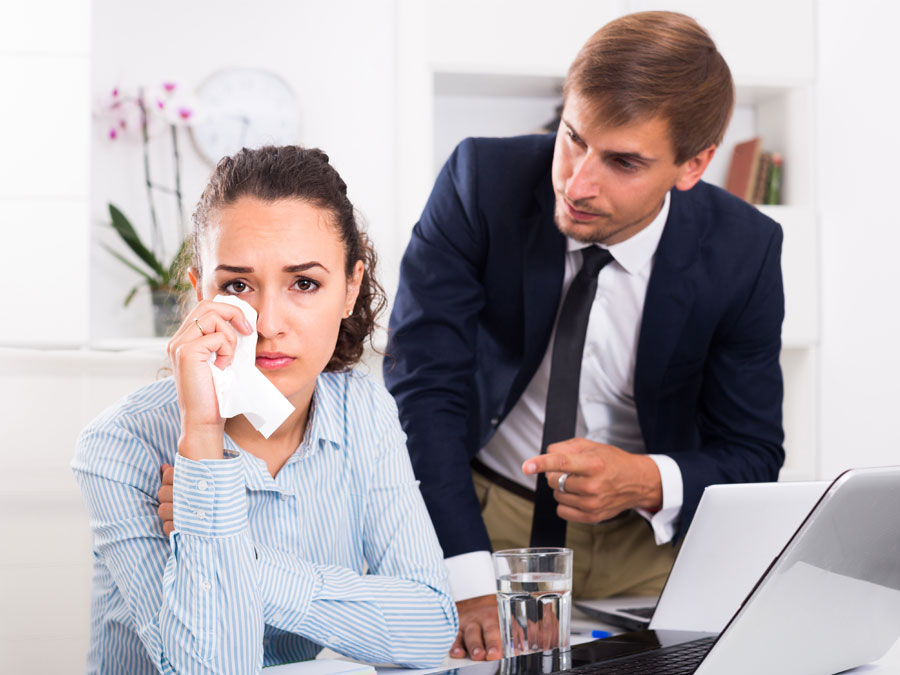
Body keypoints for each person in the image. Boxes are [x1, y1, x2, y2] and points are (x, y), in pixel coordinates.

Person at [384, 10, 784, 661]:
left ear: (694, 165)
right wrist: (467, 578)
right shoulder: (479, 181)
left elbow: (753, 452)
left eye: (624, 161)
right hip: (484, 514)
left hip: (649, 542)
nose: (577, 183)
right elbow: (423, 391)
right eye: (574, 138)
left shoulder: (745, 250)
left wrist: (646, 480)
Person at [73, 145, 458, 674]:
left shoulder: (362, 409)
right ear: (198, 291)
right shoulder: (120, 444)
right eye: (237, 285)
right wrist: (203, 438)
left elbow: (429, 629)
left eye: (305, 283)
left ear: (350, 289)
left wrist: (242, 559)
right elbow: (209, 669)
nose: (270, 322)